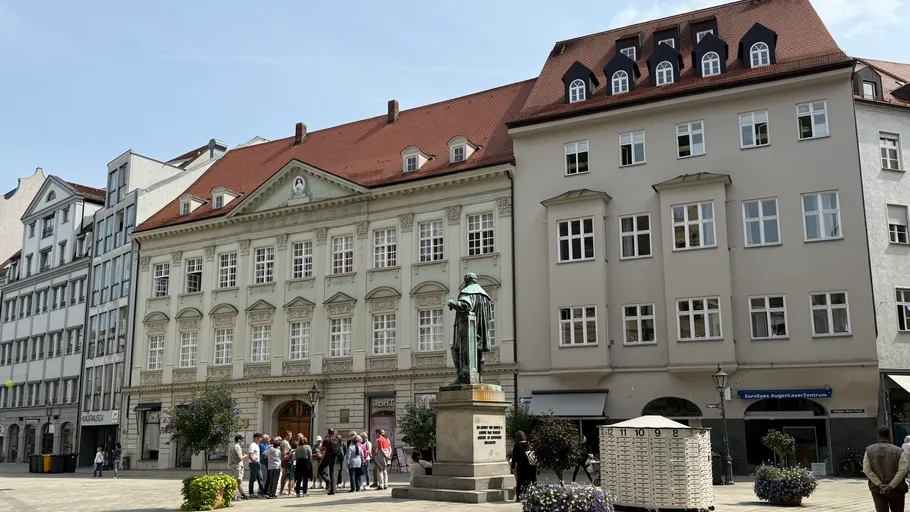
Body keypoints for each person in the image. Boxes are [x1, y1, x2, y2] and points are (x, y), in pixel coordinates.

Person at [864, 426, 909, 512]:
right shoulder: (898, 451)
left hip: (877, 489)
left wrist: (880, 484)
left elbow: (866, 469)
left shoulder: (869, 450)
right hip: (896, 489)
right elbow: (903, 470)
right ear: (889, 436)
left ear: (878, 436)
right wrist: (891, 486)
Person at [511, 431, 536, 502]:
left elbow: (514, 457)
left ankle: (519, 497)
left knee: (520, 482)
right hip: (529, 466)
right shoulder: (528, 444)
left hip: (520, 466)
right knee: (528, 481)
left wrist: (512, 466)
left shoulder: (516, 445)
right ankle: (528, 495)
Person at [317, 429, 337, 494]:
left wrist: (321, 452)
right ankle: (333, 490)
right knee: (332, 473)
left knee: (320, 470)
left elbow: (322, 448)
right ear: (333, 433)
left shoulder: (326, 440)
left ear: (328, 433)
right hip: (333, 458)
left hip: (327, 457)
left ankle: (326, 480)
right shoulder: (335, 440)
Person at [229, 435, 248, 500]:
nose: (243, 441)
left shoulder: (232, 446)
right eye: (242, 440)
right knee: (238, 481)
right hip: (237, 465)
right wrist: (244, 456)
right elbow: (240, 458)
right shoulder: (238, 447)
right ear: (239, 440)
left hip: (233, 465)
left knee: (236, 480)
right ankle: (234, 495)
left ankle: (241, 494)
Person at [248, 433, 264, 498]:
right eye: (260, 438)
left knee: (260, 478)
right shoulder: (252, 445)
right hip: (253, 464)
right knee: (253, 478)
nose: (260, 439)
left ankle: (262, 492)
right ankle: (251, 493)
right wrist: (254, 461)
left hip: (257, 463)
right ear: (256, 438)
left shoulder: (257, 445)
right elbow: (250, 455)